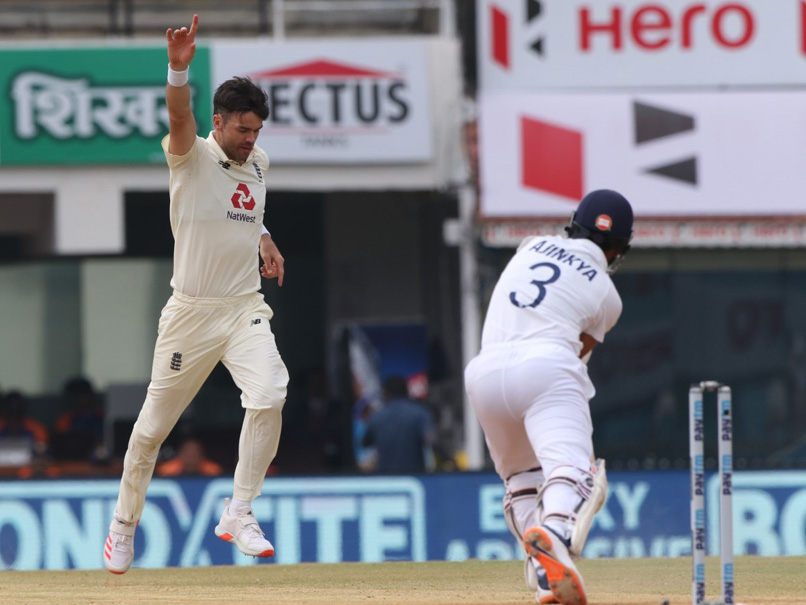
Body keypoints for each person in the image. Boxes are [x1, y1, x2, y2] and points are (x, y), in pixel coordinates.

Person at [103, 14, 290, 575]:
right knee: (151, 431)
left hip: (243, 309)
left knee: (271, 393)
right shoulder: (190, 154)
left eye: (257, 130)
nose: (251, 139)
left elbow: (243, 207)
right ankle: (123, 523)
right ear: (219, 123)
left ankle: (239, 510)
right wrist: (177, 71)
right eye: (242, 130)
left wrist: (264, 237)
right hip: (190, 312)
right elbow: (178, 114)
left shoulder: (257, 162)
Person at [464, 189, 633, 605]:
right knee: (576, 474)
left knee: (522, 479)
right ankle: (553, 534)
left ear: (572, 225)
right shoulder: (608, 298)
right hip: (545, 367)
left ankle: (545, 575)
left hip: (483, 374)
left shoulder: (531, 245)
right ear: (618, 249)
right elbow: (578, 352)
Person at [362, 375, 435, 473]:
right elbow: (430, 439)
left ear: (386, 393)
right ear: (407, 392)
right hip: (415, 477)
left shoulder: (376, 416)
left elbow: (365, 443)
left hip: (386, 478)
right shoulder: (420, 413)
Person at [51, 376, 106, 462]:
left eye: (83, 394)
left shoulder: (104, 416)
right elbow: (59, 446)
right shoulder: (65, 419)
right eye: (75, 395)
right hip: (72, 464)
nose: (80, 398)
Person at [156, 436, 223, 477]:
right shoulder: (166, 472)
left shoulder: (214, 472)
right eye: (187, 452)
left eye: (195, 452)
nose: (192, 456)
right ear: (180, 454)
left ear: (201, 455)